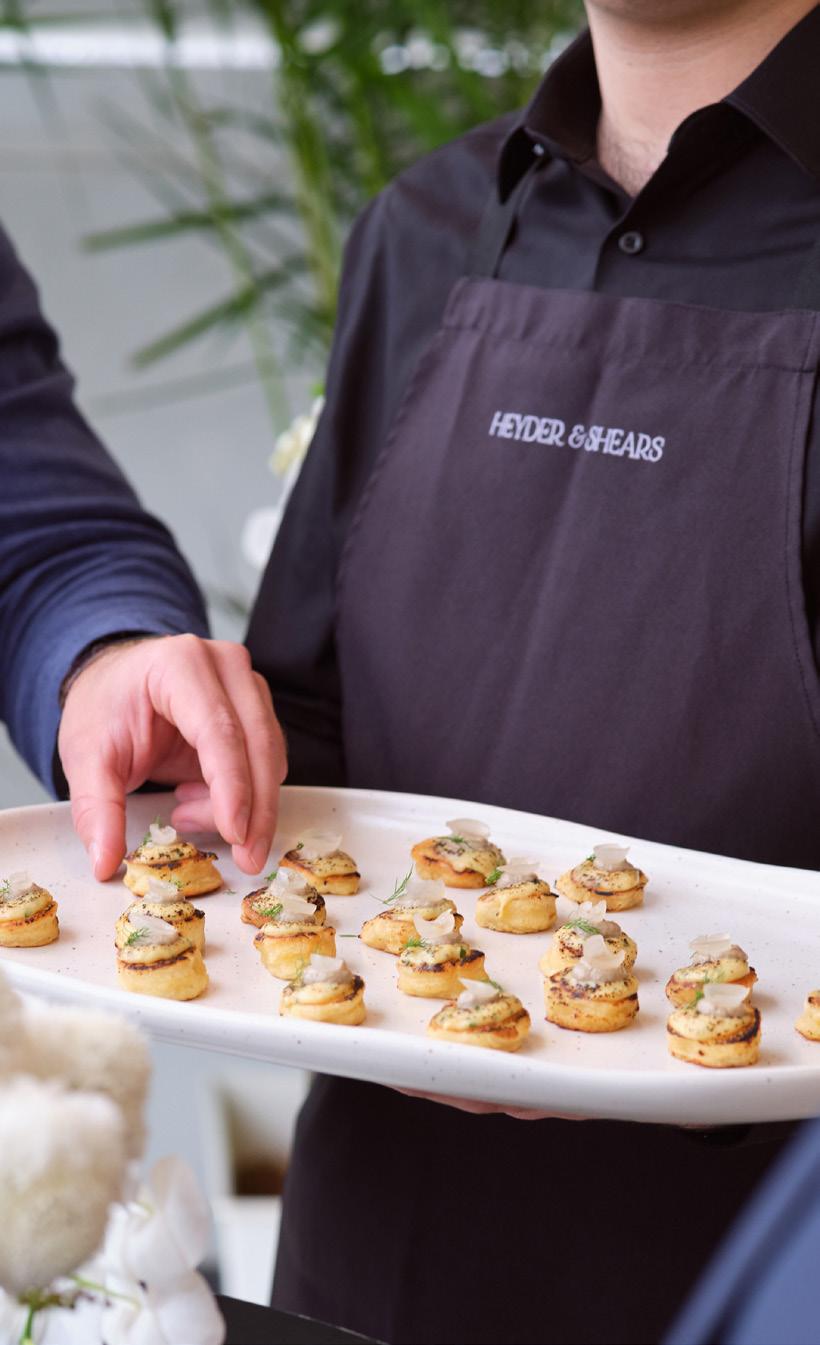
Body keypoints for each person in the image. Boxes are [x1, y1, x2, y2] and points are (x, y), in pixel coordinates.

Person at [0, 1, 818, 1343]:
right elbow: (304, 746)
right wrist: (188, 751)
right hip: (378, 1267)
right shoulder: (424, 226)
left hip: (764, 1283)